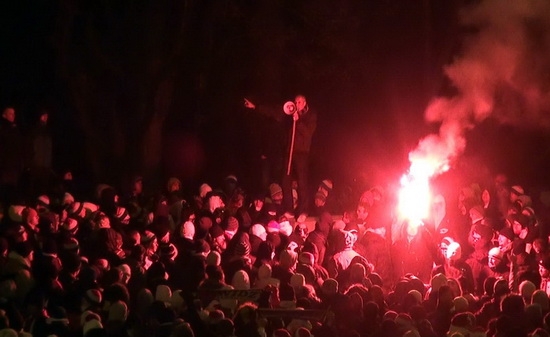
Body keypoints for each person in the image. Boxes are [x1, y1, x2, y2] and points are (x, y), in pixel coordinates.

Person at [244, 95, 317, 215]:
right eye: (295, 101)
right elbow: (273, 111)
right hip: (289, 151)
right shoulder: (289, 113)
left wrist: (298, 121)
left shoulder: (311, 115)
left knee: (302, 181)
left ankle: (303, 210)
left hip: (302, 153)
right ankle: (289, 209)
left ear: (304, 103)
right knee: (285, 180)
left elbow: (308, 133)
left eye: (299, 102)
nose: (296, 104)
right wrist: (255, 107)